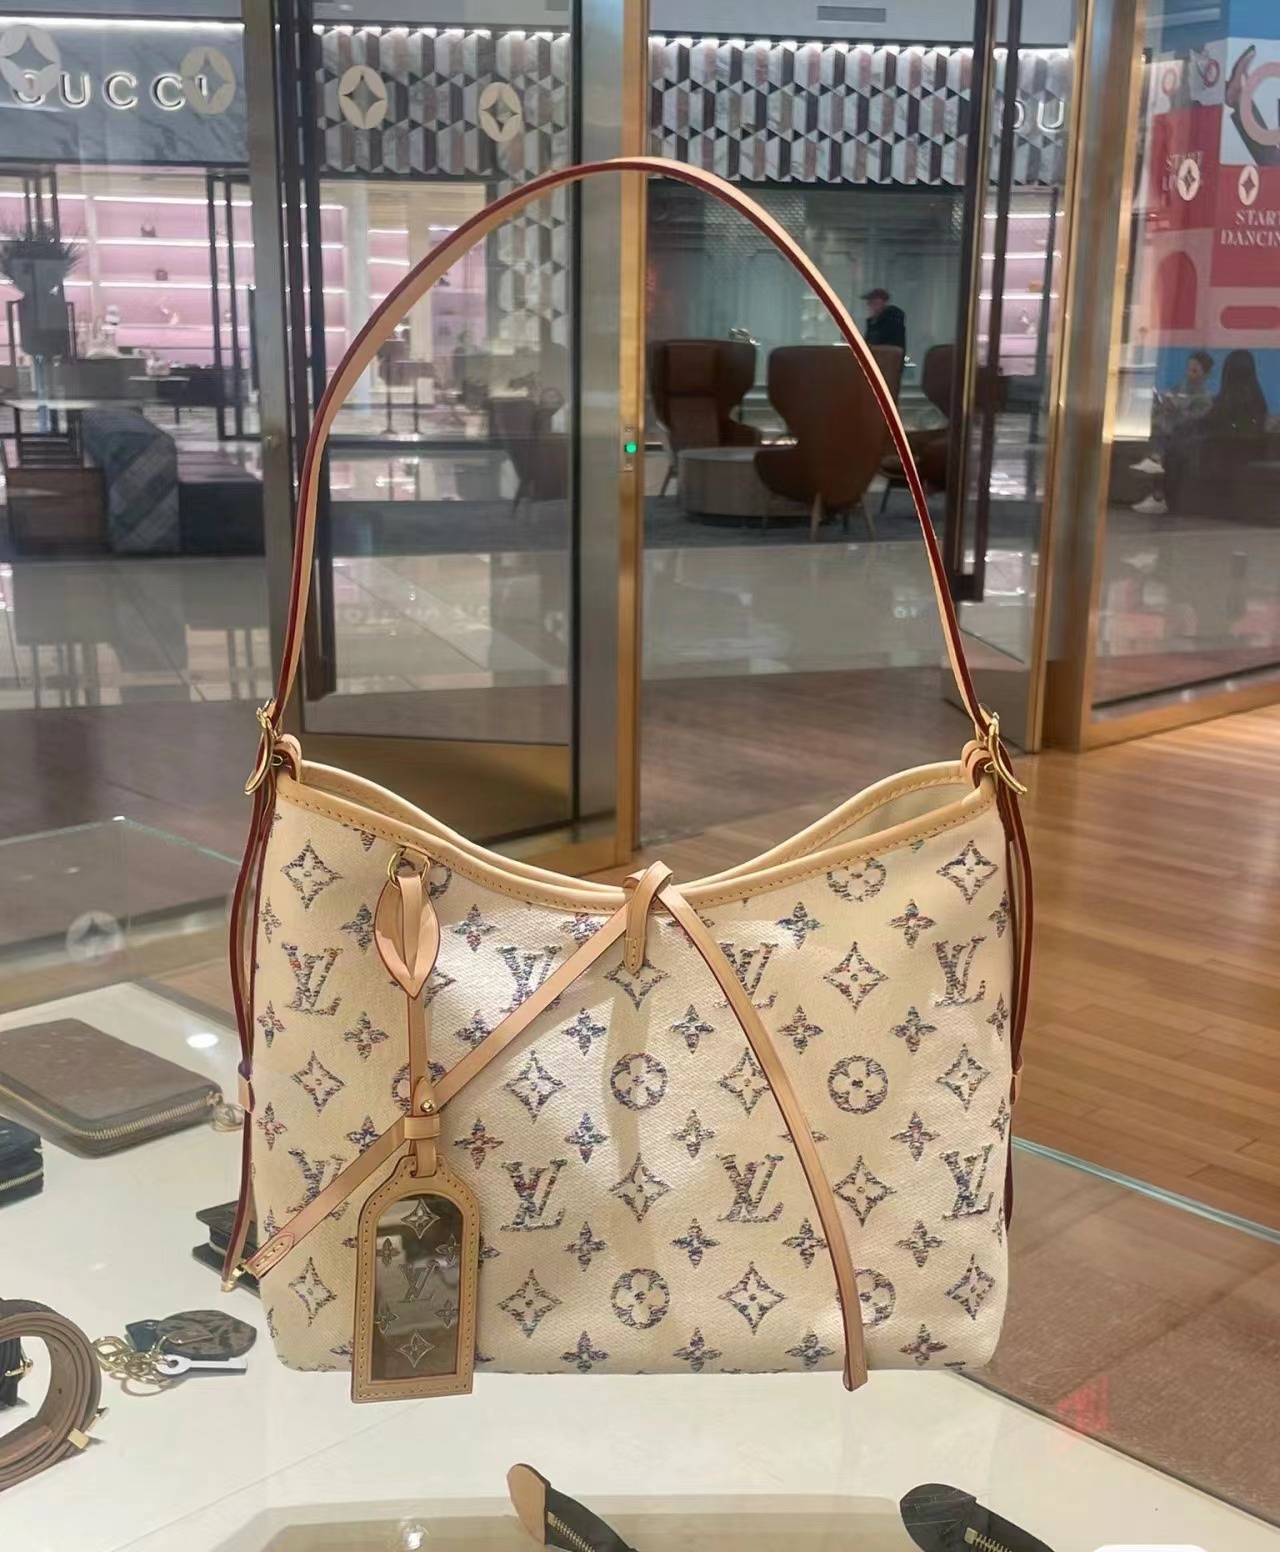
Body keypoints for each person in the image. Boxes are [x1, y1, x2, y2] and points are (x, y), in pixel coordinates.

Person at [1144, 349, 1268, 517]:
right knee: (1175, 446)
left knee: (1176, 450)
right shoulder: (1255, 398)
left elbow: (1218, 423)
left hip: (1228, 447)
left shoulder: (1231, 399)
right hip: (1238, 446)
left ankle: (1164, 498)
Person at [1131, 348, 1213, 514]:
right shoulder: (1179, 388)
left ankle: (1156, 465)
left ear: (1204, 374)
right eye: (1188, 369)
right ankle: (1156, 473)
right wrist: (1163, 403)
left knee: (1165, 441)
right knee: (1160, 431)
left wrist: (1177, 407)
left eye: (1195, 371)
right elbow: (1164, 408)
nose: (1189, 374)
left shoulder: (1204, 399)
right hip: (1170, 433)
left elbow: (1193, 420)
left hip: (1188, 439)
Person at [863, 287, 906, 352]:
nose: (870, 306)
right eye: (869, 303)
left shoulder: (892, 323)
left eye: (873, 303)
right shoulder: (873, 324)